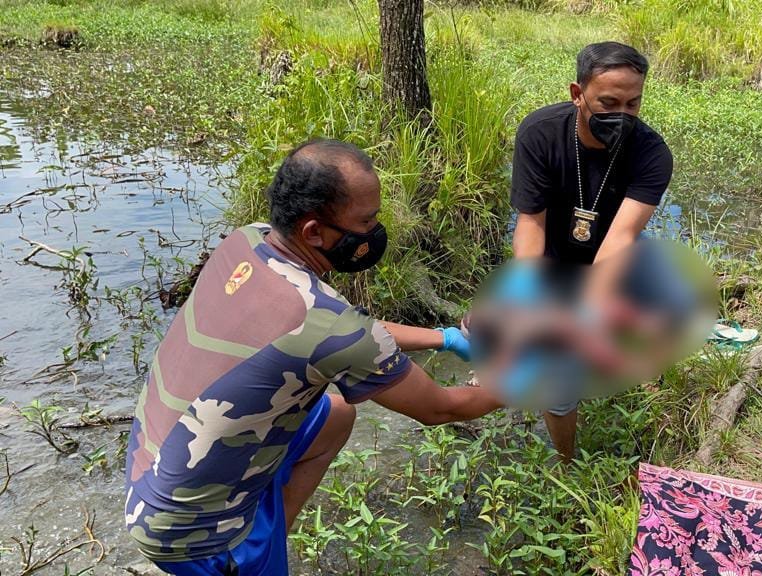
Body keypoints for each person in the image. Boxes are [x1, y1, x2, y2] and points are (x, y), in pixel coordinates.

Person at [123, 138, 502, 575]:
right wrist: (521, 379)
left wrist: (444, 338)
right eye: (366, 221)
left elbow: (342, 330)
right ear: (313, 232)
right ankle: (249, 556)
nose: (375, 231)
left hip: (149, 471)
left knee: (335, 414)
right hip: (190, 532)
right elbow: (441, 408)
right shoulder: (331, 327)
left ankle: (271, 537)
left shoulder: (247, 240)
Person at [509, 41, 673, 462]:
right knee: (558, 372)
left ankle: (640, 378)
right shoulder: (540, 133)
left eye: (633, 104)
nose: (622, 115)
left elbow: (622, 235)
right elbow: (531, 223)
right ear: (577, 93)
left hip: (615, 255)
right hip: (553, 256)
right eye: (608, 103)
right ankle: (567, 462)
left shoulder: (651, 153)